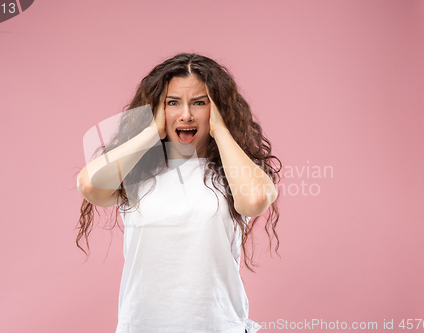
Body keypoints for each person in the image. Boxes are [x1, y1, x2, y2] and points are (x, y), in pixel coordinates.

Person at [76, 53, 282, 333]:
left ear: (218, 109)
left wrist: (221, 130)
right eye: (173, 103)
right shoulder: (135, 173)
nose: (186, 114)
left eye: (199, 103)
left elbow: (256, 200)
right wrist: (151, 132)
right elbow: (89, 185)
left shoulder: (235, 171)